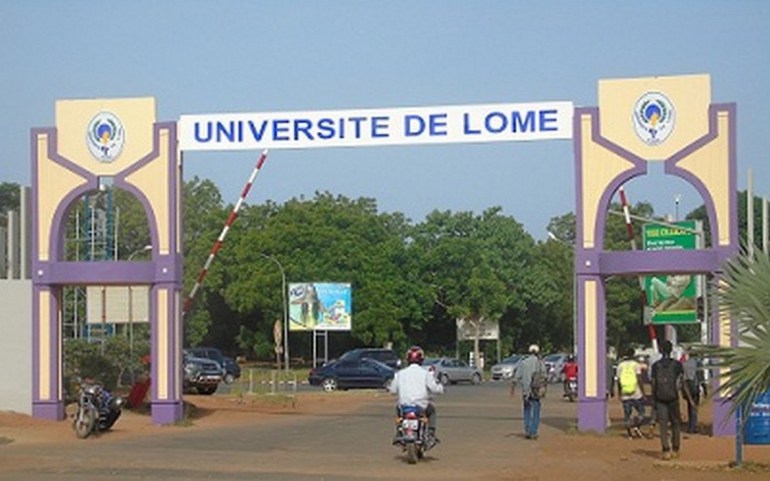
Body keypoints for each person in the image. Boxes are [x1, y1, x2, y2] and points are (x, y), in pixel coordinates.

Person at [389, 345, 444, 443]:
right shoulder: (425, 373)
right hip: (421, 406)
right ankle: (431, 433)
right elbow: (435, 388)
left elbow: (393, 390)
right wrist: (440, 388)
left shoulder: (400, 373)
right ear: (421, 359)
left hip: (404, 406)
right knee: (432, 411)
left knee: (398, 409)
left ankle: (398, 431)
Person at [651, 340, 694, 460]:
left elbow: (654, 383)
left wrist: (653, 399)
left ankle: (665, 450)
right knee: (675, 423)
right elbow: (682, 382)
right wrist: (689, 399)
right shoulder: (677, 365)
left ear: (660, 350)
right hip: (673, 397)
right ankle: (676, 448)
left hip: (660, 397)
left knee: (663, 424)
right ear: (671, 351)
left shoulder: (655, 366)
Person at [512, 344, 547, 440]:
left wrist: (512, 390)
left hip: (526, 391)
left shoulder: (523, 362)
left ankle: (527, 430)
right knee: (536, 410)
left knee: (527, 410)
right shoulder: (540, 363)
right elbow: (544, 376)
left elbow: (516, 378)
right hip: (536, 390)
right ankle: (533, 431)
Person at [616, 347, 648, 438]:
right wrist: (643, 392)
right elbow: (639, 379)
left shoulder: (620, 365)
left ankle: (629, 434)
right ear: (633, 354)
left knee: (627, 415)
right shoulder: (635, 365)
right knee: (642, 412)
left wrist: (619, 393)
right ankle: (636, 426)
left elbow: (618, 381)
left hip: (625, 393)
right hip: (636, 393)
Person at [681, 351, 700, 434]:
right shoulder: (697, 364)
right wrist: (704, 388)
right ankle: (693, 426)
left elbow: (682, 377)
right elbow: (700, 375)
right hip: (694, 385)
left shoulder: (684, 364)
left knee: (689, 405)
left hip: (686, 386)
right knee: (694, 406)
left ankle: (690, 425)